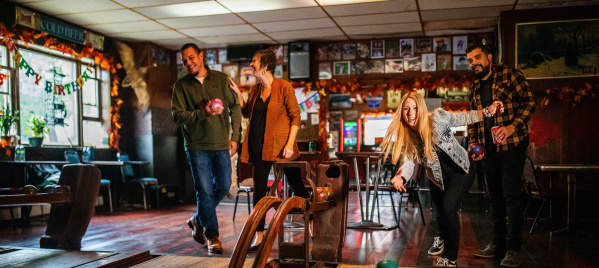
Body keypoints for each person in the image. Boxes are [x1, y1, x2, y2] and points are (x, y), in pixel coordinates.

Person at [381, 92, 503, 267]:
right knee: (438, 210)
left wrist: (488, 111)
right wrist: (400, 176)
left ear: (421, 109)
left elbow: (464, 117)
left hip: (461, 169)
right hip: (437, 176)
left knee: (448, 208)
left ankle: (450, 258)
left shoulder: (437, 117)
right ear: (401, 112)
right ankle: (442, 237)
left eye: (414, 108)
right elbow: (407, 161)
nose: (410, 113)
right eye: (406, 109)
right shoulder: (408, 136)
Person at [229, 49, 310, 251]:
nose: (251, 63)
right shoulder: (255, 90)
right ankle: (258, 235)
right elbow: (247, 112)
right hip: (258, 147)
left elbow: (295, 117)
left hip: (283, 148)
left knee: (296, 186)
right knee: (259, 193)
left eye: (254, 60)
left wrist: (290, 144)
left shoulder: (284, 87)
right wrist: (239, 94)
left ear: (265, 65)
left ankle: (312, 218)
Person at [466, 44, 537, 267]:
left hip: (512, 147)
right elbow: (473, 118)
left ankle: (514, 248)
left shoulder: (510, 74)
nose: (473, 63)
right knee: (494, 198)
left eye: (477, 58)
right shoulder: (476, 87)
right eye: (469, 60)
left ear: (489, 57)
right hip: (487, 151)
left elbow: (529, 102)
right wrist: (473, 144)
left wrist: (511, 128)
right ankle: (497, 244)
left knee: (511, 197)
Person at [171, 43, 241, 254]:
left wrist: (235, 137)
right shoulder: (181, 86)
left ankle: (197, 219)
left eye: (191, 58)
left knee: (224, 185)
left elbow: (236, 106)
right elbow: (177, 116)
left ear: (201, 56)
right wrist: (204, 113)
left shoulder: (220, 79)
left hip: (221, 143)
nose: (188, 63)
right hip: (196, 146)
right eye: (184, 61)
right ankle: (212, 236)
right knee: (204, 191)